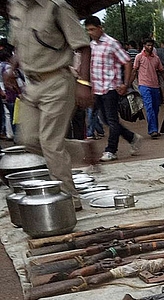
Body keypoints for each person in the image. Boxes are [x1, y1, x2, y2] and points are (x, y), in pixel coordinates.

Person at [7, 0, 92, 210]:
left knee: (50, 143)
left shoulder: (57, 6)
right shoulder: (15, 6)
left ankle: (69, 199)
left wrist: (83, 83)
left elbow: (83, 46)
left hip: (58, 81)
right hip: (31, 84)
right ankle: (84, 150)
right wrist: (12, 67)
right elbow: (19, 44)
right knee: (26, 139)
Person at [84, 16, 142, 162]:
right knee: (106, 120)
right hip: (97, 88)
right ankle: (132, 137)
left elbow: (127, 61)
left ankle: (111, 150)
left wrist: (125, 83)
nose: (90, 32)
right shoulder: (91, 46)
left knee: (112, 120)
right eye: (88, 30)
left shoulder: (111, 43)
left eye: (92, 29)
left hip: (111, 87)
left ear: (100, 28)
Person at [132, 39, 164, 139]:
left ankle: (154, 129)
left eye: (151, 45)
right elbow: (134, 71)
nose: (150, 47)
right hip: (144, 85)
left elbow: (162, 72)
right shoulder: (139, 57)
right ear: (144, 46)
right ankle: (153, 130)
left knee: (155, 109)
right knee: (149, 107)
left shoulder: (156, 58)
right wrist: (128, 84)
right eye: (148, 45)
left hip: (155, 86)